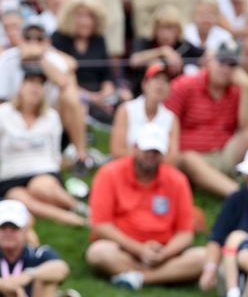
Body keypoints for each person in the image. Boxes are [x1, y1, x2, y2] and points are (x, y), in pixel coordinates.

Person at [86, 122, 206, 291]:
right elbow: (100, 225)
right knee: (99, 252)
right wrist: (138, 249)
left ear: (162, 153)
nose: (151, 155)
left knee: (204, 257)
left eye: (156, 151)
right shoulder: (109, 174)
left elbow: (185, 233)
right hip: (123, 250)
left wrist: (164, 253)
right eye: (147, 150)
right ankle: (162, 275)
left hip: (164, 252)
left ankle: (140, 278)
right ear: (135, 147)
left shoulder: (177, 180)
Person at [0, 65, 86, 227]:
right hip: (11, 177)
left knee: (40, 187)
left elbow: (55, 154)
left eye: (40, 84)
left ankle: (79, 208)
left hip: (43, 171)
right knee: (18, 198)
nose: (36, 87)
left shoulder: (51, 116)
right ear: (20, 87)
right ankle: (74, 219)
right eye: (31, 82)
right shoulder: (1, 114)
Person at [0, 19, 91, 169]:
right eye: (28, 37)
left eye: (39, 38)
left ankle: (80, 156)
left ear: (47, 41)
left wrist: (40, 58)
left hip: (48, 113)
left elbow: (63, 83)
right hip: (13, 113)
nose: (33, 42)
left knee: (71, 96)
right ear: (20, 39)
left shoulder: (54, 59)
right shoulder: (6, 58)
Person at [165, 40, 248, 197]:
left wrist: (247, 87)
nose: (225, 69)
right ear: (209, 61)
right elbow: (165, 124)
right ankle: (241, 195)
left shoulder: (237, 89)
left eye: (231, 64)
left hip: (224, 153)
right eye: (221, 61)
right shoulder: (184, 85)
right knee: (189, 159)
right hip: (191, 156)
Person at [0, 200, 70, 297]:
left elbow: (61, 268)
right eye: (2, 227)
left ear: (26, 229)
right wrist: (4, 284)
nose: (8, 232)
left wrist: (27, 276)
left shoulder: (38, 253)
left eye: (14, 227)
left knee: (48, 283)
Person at [51, 0, 117, 124]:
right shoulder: (59, 38)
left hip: (99, 93)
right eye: (80, 16)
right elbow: (60, 78)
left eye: (90, 16)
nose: (85, 21)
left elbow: (107, 75)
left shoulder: (99, 40)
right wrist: (92, 98)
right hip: (71, 93)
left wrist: (106, 94)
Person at [200, 145, 248, 297]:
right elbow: (216, 237)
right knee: (235, 240)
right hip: (236, 266)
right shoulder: (237, 199)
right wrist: (210, 269)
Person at [110, 63, 180, 163]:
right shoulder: (125, 110)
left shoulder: (172, 118)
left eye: (166, 81)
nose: (161, 85)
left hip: (158, 173)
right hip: (128, 168)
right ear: (144, 84)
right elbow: (117, 152)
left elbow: (173, 159)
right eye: (156, 79)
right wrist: (151, 156)